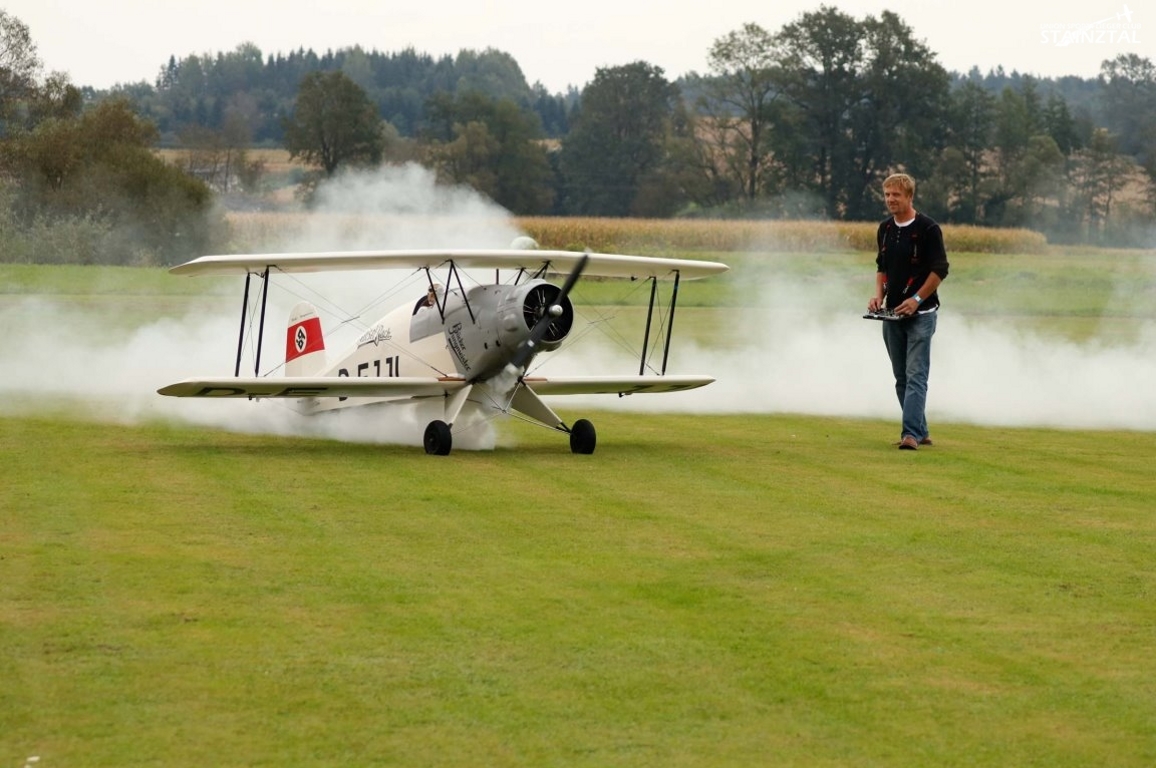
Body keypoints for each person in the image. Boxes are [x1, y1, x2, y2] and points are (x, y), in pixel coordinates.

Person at [868, 173, 949, 450]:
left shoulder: (928, 229)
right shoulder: (885, 229)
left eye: (896, 195)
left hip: (922, 314)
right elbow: (881, 267)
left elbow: (940, 270)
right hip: (891, 314)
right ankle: (921, 430)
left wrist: (916, 299)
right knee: (901, 376)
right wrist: (878, 297)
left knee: (916, 375)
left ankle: (910, 435)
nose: (891, 199)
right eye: (887, 194)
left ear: (909, 197)